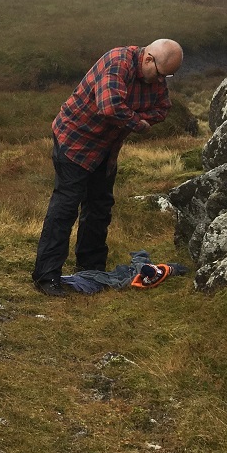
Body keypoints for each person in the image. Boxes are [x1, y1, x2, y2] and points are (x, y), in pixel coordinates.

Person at [31, 39, 183, 297]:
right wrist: (138, 122)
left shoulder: (155, 78)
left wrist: (131, 116)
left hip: (106, 150)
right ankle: (46, 276)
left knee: (99, 206)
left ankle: (91, 267)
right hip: (75, 143)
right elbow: (109, 107)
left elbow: (162, 109)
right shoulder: (117, 62)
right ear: (148, 59)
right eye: (158, 74)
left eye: (165, 77)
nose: (160, 82)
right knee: (65, 208)